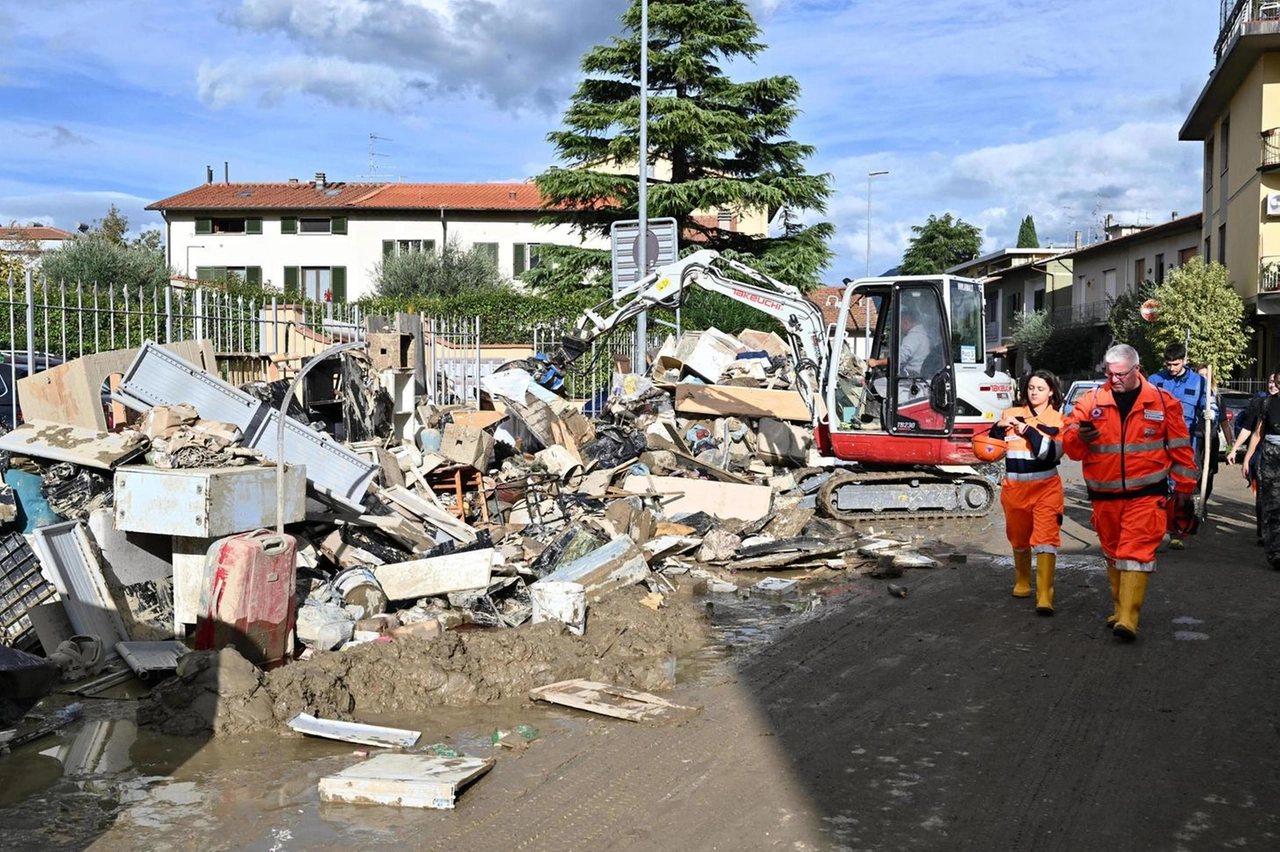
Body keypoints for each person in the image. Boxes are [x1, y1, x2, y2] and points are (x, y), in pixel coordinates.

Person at [1063, 343, 1197, 641]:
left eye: (1121, 374)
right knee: (1112, 554)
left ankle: (1128, 618)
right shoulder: (1090, 401)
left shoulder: (1163, 403)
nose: (1114, 380)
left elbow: (1181, 450)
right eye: (1109, 374)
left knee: (1135, 552)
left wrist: (1185, 489)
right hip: (1104, 496)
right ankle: (1120, 607)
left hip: (1147, 494)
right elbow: (1070, 447)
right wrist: (1078, 437)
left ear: (1136, 370)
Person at [984, 370, 1065, 614]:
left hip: (1046, 489)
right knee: (1019, 540)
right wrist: (997, 428)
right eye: (1031, 388)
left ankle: (1044, 596)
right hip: (1015, 488)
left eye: (1040, 389)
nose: (1034, 393)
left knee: (1046, 541)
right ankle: (1022, 581)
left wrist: (1027, 430)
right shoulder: (1010, 414)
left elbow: (1051, 454)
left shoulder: (1059, 420)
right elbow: (991, 450)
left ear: (1051, 391)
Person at [1148, 343, 1207, 548]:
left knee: (1181, 489)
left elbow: (1208, 406)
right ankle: (1154, 533)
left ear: (1184, 360)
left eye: (1175, 363)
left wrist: (1211, 415)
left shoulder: (1199, 382)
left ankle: (1177, 532)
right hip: (1157, 445)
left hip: (1184, 446)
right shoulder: (1155, 380)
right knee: (1155, 489)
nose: (1172, 368)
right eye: (1169, 364)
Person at [1226, 374, 1279, 543]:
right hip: (1264, 452)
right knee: (1265, 495)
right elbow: (1252, 430)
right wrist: (1237, 451)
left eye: (1275, 383)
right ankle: (1265, 533)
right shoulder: (1262, 403)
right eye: (1271, 382)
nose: (1273, 385)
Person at [1241, 371, 1280, 568]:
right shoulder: (1267, 403)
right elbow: (1257, 433)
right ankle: (1274, 552)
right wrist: (1247, 458)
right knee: (1271, 505)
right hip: (1271, 456)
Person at [867, 304, 931, 378]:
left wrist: (876, 362)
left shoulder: (913, 337)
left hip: (912, 377)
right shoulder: (922, 334)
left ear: (906, 323)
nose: (900, 330)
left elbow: (899, 358)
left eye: (900, 326)